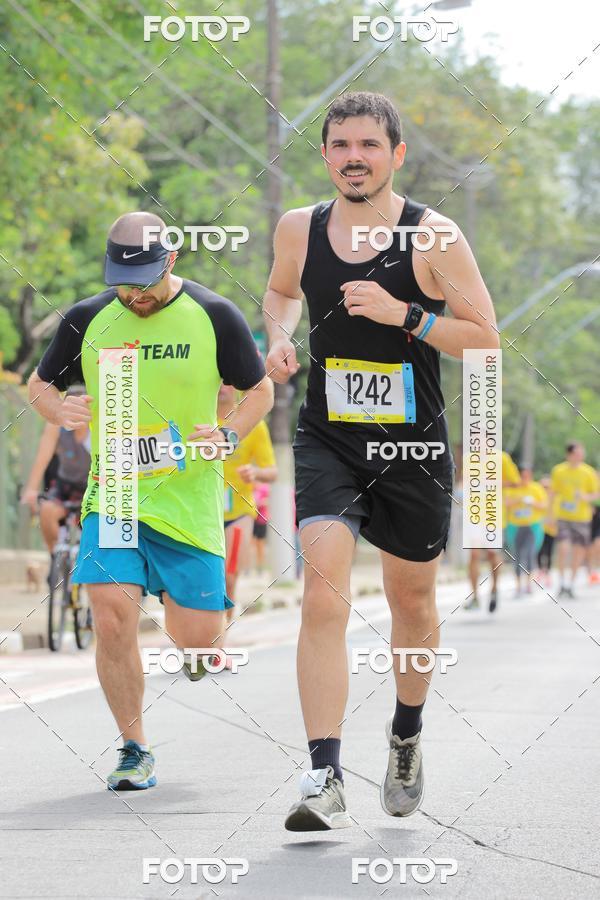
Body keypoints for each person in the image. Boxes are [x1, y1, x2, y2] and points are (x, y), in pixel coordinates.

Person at [264, 91, 499, 830]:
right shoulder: (300, 228)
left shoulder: (434, 238)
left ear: (396, 155)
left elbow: (485, 337)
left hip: (413, 447)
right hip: (329, 438)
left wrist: (408, 316)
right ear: (326, 155)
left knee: (412, 605)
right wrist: (277, 336)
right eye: (340, 145)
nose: (354, 157)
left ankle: (405, 734)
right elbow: (279, 291)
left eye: (370, 145)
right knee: (322, 598)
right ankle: (323, 773)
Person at [28, 211, 272, 791]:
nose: (132, 293)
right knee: (112, 616)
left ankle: (197, 631)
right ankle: (134, 747)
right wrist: (56, 409)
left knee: (199, 641)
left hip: (187, 501)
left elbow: (259, 388)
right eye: (121, 280)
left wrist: (229, 431)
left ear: (172, 260)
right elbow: (41, 384)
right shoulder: (88, 318)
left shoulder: (214, 315)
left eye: (143, 278)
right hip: (112, 495)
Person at [219, 382, 277, 617]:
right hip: (200, 511)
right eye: (218, 381)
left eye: (228, 382)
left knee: (229, 578)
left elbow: (271, 471)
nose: (223, 387)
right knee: (203, 580)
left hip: (238, 513)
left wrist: (254, 473)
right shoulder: (196, 416)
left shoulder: (252, 423)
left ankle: (221, 638)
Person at [21, 385, 91, 553]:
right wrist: (31, 489)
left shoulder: (97, 428)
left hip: (92, 487)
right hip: (65, 485)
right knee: (46, 512)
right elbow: (43, 456)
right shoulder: (57, 426)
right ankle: (56, 558)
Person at [464, 450, 520, 612]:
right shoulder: (469, 458)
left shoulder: (502, 458)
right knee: (473, 553)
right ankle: (474, 596)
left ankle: (494, 590)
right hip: (474, 513)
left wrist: (493, 481)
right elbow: (466, 482)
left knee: (492, 555)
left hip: (493, 514)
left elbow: (515, 482)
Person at [550, 443, 600, 598]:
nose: (580, 456)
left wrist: (585, 497)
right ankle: (561, 581)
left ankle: (570, 584)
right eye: (577, 453)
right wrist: (549, 514)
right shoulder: (558, 470)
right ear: (569, 455)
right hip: (564, 516)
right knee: (563, 548)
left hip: (582, 517)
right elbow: (553, 492)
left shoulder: (588, 472)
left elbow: (596, 494)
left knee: (579, 551)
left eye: (581, 453)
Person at [505, 468, 547, 597]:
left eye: (527, 476)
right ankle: (518, 586)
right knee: (517, 556)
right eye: (522, 476)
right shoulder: (512, 488)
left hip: (532, 526)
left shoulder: (536, 488)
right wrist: (519, 500)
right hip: (515, 526)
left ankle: (528, 585)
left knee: (530, 554)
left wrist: (533, 503)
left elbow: (544, 505)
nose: (525, 479)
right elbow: (505, 503)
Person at [537, 476, 557, 587]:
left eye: (547, 487)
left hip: (551, 529)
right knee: (539, 551)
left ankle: (548, 573)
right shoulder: (538, 496)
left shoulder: (554, 498)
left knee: (549, 551)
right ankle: (540, 571)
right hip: (539, 528)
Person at [252, 482, 271, 573]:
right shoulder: (251, 487)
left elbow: (270, 500)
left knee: (260, 545)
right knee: (251, 544)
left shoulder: (265, 488)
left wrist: (261, 502)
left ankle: (260, 567)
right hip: (252, 519)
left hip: (261, 520)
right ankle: (250, 567)